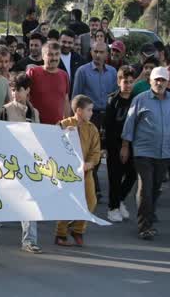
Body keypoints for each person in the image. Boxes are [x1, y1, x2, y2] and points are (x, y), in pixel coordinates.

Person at [121, 66, 170, 240]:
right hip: (143, 152)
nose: (159, 83)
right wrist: (125, 146)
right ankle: (144, 226)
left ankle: (148, 217)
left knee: (156, 188)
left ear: (167, 82)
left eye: (163, 80)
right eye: (157, 79)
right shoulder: (140, 99)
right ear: (150, 81)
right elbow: (129, 123)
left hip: (164, 153)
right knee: (145, 189)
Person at [0, 74, 42, 253]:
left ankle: (29, 240)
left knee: (29, 201)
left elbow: (39, 137)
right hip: (7, 162)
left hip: (27, 163)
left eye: (19, 90)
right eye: (13, 90)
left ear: (28, 91)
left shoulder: (34, 113)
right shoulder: (5, 110)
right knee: (2, 199)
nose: (15, 93)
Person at [72, 41, 117, 196]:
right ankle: (91, 187)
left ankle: (92, 185)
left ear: (107, 54)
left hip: (108, 116)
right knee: (89, 151)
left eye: (101, 52)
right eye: (95, 51)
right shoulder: (82, 71)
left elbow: (116, 95)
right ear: (91, 52)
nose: (98, 55)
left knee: (102, 151)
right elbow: (76, 97)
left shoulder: (112, 72)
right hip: (89, 116)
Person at [55, 95, 101, 247]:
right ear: (79, 111)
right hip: (67, 173)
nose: (91, 113)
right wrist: (62, 134)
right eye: (89, 110)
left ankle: (77, 230)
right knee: (67, 202)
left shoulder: (92, 128)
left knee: (91, 201)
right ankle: (60, 234)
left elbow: (96, 152)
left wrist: (90, 164)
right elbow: (51, 142)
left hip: (85, 172)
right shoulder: (64, 124)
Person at [103, 66, 137, 223]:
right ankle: (113, 208)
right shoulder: (113, 100)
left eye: (131, 82)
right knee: (115, 177)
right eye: (125, 81)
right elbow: (108, 126)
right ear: (118, 81)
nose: (128, 85)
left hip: (132, 144)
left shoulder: (137, 99)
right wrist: (109, 147)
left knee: (131, 175)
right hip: (114, 144)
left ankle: (120, 200)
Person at [27, 42, 71, 125]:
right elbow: (24, 98)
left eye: (57, 54)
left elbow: (66, 101)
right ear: (43, 56)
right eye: (50, 54)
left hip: (58, 127)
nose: (54, 58)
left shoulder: (64, 75)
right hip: (36, 125)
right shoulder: (32, 73)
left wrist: (67, 122)